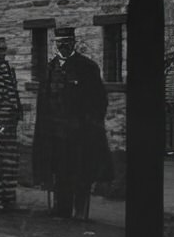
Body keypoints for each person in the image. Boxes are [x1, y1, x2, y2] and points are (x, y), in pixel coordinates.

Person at [32, 27, 113, 220]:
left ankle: (80, 210)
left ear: (74, 43)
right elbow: (44, 100)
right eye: (60, 43)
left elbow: (99, 100)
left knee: (81, 170)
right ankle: (62, 208)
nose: (63, 46)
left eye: (67, 42)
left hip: (80, 132)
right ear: (55, 44)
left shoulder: (87, 67)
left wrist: (90, 124)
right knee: (60, 170)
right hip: (55, 131)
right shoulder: (50, 68)